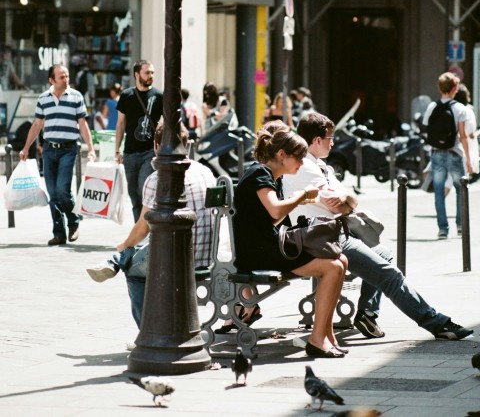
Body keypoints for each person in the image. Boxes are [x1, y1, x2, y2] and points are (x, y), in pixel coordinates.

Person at [283, 111, 474, 342]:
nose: (333, 142)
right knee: (389, 275)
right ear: (316, 140)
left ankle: (367, 312)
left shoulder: (322, 166)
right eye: (330, 138)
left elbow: (348, 201)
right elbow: (339, 206)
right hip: (324, 241)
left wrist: (347, 200)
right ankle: (437, 323)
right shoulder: (305, 168)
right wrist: (347, 201)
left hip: (334, 234)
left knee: (384, 253)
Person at [233, 121, 349, 358]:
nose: (301, 163)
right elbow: (276, 211)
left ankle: (327, 335)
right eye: (298, 157)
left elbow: (271, 219)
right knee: (333, 267)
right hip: (257, 251)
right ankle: (317, 340)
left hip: (266, 245)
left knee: (341, 260)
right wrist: (301, 196)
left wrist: (300, 201)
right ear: (282, 155)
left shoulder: (268, 175)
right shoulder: (259, 173)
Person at [86, 121, 215, 328]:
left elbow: (142, 228)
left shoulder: (157, 178)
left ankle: (148, 331)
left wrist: (123, 245)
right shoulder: (205, 172)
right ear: (186, 144)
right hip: (208, 257)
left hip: (176, 260)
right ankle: (115, 261)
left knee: (133, 268)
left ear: (156, 146)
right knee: (142, 248)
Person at [19, 64, 96, 245]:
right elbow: (37, 125)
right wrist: (25, 148)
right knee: (53, 194)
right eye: (61, 77)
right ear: (51, 80)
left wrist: (90, 148)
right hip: (48, 150)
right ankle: (59, 233)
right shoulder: (44, 98)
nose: (66, 79)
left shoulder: (76, 96)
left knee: (62, 190)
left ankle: (74, 221)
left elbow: (83, 124)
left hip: (68, 149)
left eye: (67, 76)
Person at [422, 72, 472, 239]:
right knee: (460, 190)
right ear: (454, 89)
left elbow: (425, 128)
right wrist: (469, 159)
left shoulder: (432, 106)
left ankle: (443, 229)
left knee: (438, 192)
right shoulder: (459, 108)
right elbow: (463, 136)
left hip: (436, 154)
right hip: (454, 152)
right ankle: (460, 225)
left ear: (439, 88)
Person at [115, 60, 163, 221]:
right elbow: (121, 124)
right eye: (147, 72)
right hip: (130, 152)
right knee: (133, 195)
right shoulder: (126, 95)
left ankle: (148, 229)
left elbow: (167, 121)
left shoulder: (158, 95)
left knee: (144, 190)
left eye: (152, 73)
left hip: (150, 151)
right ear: (137, 74)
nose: (151, 76)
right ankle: (139, 229)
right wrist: (117, 150)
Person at [454, 83, 479, 181]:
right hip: (466, 148)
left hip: (453, 147)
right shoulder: (468, 111)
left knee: (450, 181)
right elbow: (470, 134)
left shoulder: (454, 109)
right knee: (463, 182)